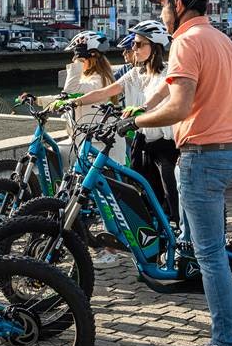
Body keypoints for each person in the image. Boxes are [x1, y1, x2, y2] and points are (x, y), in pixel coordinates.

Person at [117, 0, 232, 346]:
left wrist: (134, 122)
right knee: (196, 237)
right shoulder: (219, 38)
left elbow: (178, 107)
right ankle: (190, 253)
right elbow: (165, 90)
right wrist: (139, 104)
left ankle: (226, 345)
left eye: (162, 5)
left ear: (179, 4)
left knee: (210, 255)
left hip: (204, 155)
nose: (160, 13)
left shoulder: (185, 42)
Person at [55, 20, 180, 225]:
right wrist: (73, 101)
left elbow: (160, 94)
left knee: (171, 194)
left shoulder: (167, 73)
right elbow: (106, 92)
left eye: (139, 44)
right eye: (134, 44)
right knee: (145, 191)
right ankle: (156, 235)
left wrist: (143, 108)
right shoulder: (134, 74)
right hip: (142, 139)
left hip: (166, 142)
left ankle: (182, 237)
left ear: (155, 46)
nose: (134, 48)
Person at [20, 30, 120, 267]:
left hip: (100, 149)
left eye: (80, 57)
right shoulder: (89, 78)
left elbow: (71, 93)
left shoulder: (101, 81)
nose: (76, 61)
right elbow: (64, 97)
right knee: (81, 197)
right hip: (85, 147)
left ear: (91, 57)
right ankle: (83, 242)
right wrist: (39, 101)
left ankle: (111, 251)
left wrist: (75, 64)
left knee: (106, 201)